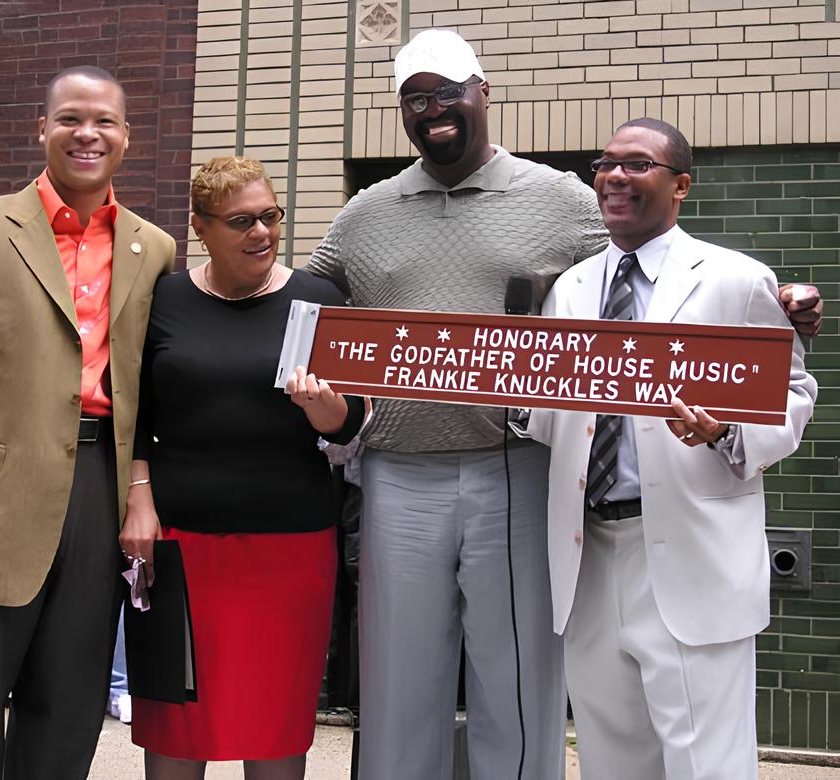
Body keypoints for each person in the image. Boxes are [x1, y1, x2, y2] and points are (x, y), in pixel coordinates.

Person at [305, 29, 822, 780]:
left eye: (449, 91)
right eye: (416, 98)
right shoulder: (375, 214)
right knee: (431, 689)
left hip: (536, 482)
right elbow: (308, 299)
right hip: (451, 492)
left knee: (546, 700)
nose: (434, 109)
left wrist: (779, 313)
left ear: (483, 93)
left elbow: (704, 302)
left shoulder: (574, 205)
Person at [0, 66, 176, 779]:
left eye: (105, 121)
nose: (88, 133)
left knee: (69, 704)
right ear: (42, 129)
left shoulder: (154, 248)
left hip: (98, 487)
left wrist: (140, 487)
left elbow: (148, 387)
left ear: (127, 137)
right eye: (71, 119)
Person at [527, 118, 817, 780]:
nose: (616, 175)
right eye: (607, 163)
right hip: (591, 556)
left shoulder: (736, 280)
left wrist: (728, 433)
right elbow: (553, 419)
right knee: (610, 757)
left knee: (704, 763)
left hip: (691, 554)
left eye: (638, 163)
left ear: (680, 185)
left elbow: (795, 395)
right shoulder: (570, 291)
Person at [119, 156, 364, 780]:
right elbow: (137, 411)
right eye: (241, 221)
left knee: (274, 722)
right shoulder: (165, 299)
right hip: (181, 542)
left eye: (271, 216)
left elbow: (351, 422)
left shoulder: (316, 298)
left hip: (290, 548)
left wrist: (327, 410)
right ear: (200, 227)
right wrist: (139, 501)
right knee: (177, 721)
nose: (262, 232)